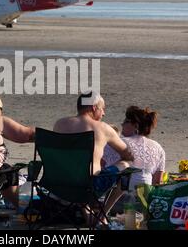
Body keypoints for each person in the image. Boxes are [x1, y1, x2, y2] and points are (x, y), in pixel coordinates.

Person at [53, 92, 133, 225]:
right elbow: (128, 154)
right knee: (127, 166)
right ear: (94, 107)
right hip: (89, 188)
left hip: (59, 185)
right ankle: (102, 215)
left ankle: (87, 213)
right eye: (102, 108)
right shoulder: (103, 128)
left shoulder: (60, 124)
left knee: (76, 170)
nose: (104, 113)